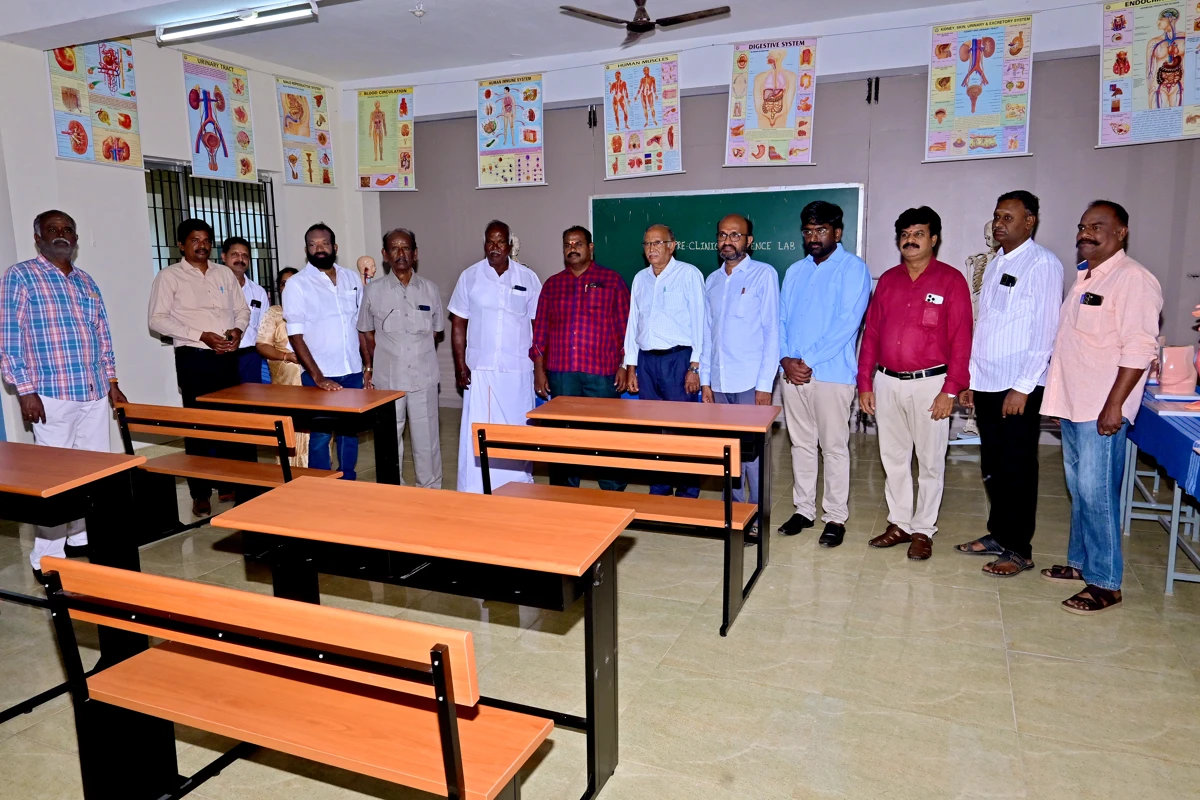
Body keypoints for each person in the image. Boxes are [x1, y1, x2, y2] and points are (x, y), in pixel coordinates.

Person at [1040, 201, 1161, 615]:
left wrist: (1115, 405)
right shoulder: (1085, 277)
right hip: (1075, 403)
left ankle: (1106, 582)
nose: (1085, 233)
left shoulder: (1133, 279)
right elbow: (1073, 345)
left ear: (1121, 232)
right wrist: (1059, 398)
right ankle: (1080, 563)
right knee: (1079, 489)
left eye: (1097, 226)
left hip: (1101, 408)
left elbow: (1140, 349)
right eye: (1082, 226)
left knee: (1097, 493)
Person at [1, 210, 127, 580]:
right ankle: (46, 557)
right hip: (50, 394)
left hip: (93, 390)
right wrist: (25, 391)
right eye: (53, 229)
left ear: (75, 238)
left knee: (93, 471)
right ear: (38, 237)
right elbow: (9, 338)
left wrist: (112, 381)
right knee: (54, 481)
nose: (61, 234)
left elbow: (102, 334)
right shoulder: (21, 276)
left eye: (67, 229)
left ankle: (82, 536)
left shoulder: (86, 281)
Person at [955, 191, 1063, 576]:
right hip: (988, 381)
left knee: (1017, 467)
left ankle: (1019, 549)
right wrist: (972, 378)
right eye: (997, 216)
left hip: (1017, 386)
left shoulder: (1043, 264)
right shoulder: (997, 261)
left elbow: (1046, 330)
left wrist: (1023, 386)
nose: (999, 224)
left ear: (1029, 221)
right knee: (993, 465)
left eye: (1008, 217)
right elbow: (987, 326)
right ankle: (999, 535)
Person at [858, 207, 972, 561]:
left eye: (918, 233)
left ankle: (923, 529)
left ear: (933, 239)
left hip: (931, 385)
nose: (910, 240)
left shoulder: (951, 280)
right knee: (892, 457)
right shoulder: (888, 281)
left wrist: (950, 390)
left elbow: (962, 339)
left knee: (930, 461)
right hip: (886, 382)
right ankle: (900, 523)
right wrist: (865, 383)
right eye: (905, 234)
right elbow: (871, 334)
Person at [777, 201, 872, 546]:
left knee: (833, 447)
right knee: (801, 444)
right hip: (793, 374)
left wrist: (807, 360)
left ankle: (835, 517)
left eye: (821, 230)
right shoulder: (795, 271)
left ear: (837, 232)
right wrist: (785, 360)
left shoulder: (853, 269)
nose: (813, 237)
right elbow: (781, 319)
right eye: (808, 231)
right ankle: (803, 510)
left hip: (831, 374)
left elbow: (847, 323)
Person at [148, 217, 250, 516]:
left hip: (227, 356)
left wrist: (238, 330)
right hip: (195, 358)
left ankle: (230, 483)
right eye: (195, 240)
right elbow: (157, 320)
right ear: (181, 245)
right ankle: (200, 492)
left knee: (232, 423)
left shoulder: (224, 273)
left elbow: (242, 310)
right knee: (198, 426)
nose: (202, 245)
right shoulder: (169, 277)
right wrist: (200, 335)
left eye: (206, 240)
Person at [531, 225, 631, 491]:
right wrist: (539, 370)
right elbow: (540, 331)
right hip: (562, 373)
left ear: (591, 248)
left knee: (606, 434)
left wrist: (624, 365)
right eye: (567, 244)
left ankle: (612, 489)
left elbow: (626, 327)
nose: (572, 248)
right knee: (564, 434)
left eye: (578, 243)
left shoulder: (612, 281)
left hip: (602, 373)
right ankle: (564, 490)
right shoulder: (552, 285)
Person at [449, 220, 542, 493]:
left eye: (500, 241)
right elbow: (458, 323)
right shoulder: (469, 277)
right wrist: (460, 365)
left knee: (517, 430)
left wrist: (539, 368)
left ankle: (518, 486)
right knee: (480, 430)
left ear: (510, 245)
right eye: (490, 241)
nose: (495, 247)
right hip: (481, 371)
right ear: (484, 244)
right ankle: (476, 489)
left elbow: (538, 325)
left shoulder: (528, 278)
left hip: (518, 370)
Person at [700, 214, 778, 511]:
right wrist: (705, 381)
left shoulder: (763, 274)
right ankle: (732, 514)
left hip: (749, 383)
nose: (728, 241)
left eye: (735, 235)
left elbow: (772, 332)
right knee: (727, 453)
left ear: (749, 241)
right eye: (722, 235)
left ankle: (756, 516)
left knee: (753, 457)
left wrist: (764, 386)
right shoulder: (712, 280)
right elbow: (707, 335)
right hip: (719, 383)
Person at [624, 223, 706, 498]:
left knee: (682, 430)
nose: (651, 249)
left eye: (657, 243)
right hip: (647, 362)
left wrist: (694, 366)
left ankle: (687, 491)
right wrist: (631, 366)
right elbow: (633, 324)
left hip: (678, 360)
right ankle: (659, 489)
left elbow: (700, 322)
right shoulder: (640, 279)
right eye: (647, 244)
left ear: (672, 246)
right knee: (653, 430)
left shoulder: (689, 274)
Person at [359, 229, 445, 489]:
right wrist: (372, 366)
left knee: (427, 442)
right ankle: (393, 493)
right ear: (385, 255)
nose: (400, 253)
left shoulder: (430, 289)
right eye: (394, 248)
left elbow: (436, 331)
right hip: (388, 380)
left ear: (415, 253)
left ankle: (429, 492)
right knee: (389, 441)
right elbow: (366, 332)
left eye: (406, 248)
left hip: (423, 379)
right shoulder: (373, 291)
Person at [282, 223, 367, 479]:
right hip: (318, 375)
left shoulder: (352, 278)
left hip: (352, 370)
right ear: (306, 250)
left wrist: (368, 366)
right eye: (313, 244)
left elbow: (362, 325)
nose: (319, 248)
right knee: (320, 436)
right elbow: (295, 335)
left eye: (324, 243)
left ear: (335, 247)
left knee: (349, 434)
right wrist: (317, 377)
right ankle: (320, 487)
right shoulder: (297, 284)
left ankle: (348, 480)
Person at [255, 267, 308, 468]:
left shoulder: (313, 309)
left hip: (312, 383)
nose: (288, 286)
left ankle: (318, 477)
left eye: (293, 282)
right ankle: (290, 476)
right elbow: (262, 345)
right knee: (289, 432)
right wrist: (287, 356)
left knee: (316, 434)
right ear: (279, 287)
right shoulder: (275, 313)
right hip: (286, 386)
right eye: (284, 283)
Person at [222, 236, 268, 385]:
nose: (240, 259)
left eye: (245, 256)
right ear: (223, 256)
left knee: (253, 398)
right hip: (221, 357)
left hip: (250, 358)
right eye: (235, 254)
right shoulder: (214, 289)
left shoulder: (258, 292)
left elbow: (263, 329)